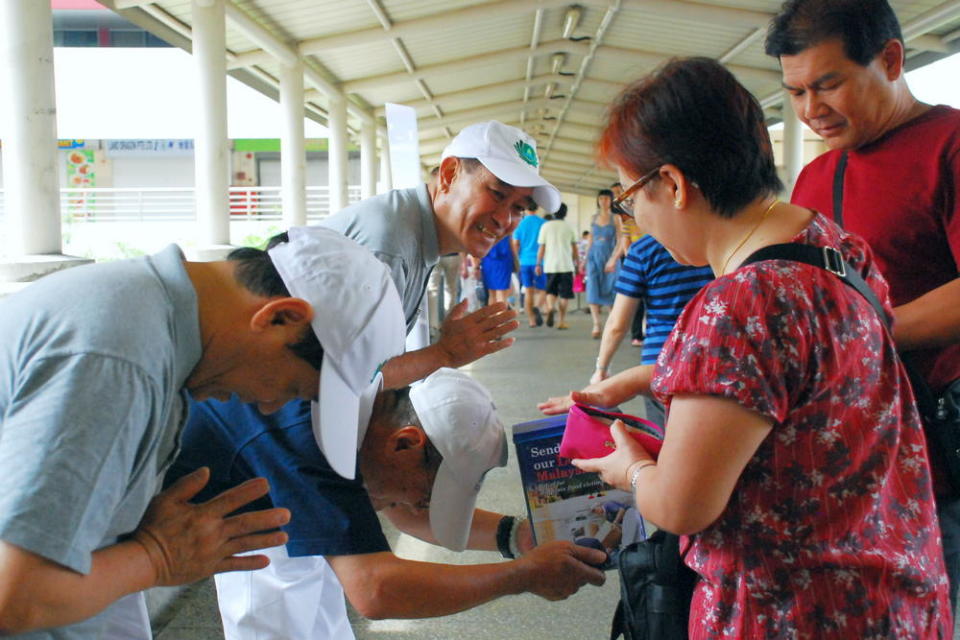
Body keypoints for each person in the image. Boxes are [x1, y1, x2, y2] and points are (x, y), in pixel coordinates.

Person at [541, 57, 951, 637]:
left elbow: (682, 507)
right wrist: (640, 379)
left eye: (632, 200)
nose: (635, 220)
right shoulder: (830, 244)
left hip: (791, 613)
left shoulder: (736, 305)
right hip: (893, 595)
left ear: (675, 185)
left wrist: (630, 468)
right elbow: (801, 364)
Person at [0, 226, 406, 638]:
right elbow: (15, 596)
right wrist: (155, 558)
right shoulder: (120, 359)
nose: (268, 405)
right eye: (292, 389)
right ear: (280, 317)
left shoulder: (158, 335)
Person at [766, 0, 960, 611]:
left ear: (892, 60)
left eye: (828, 84)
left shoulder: (949, 147)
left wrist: (861, 333)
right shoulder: (815, 178)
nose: (810, 109)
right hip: (856, 458)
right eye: (795, 91)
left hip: (943, 449)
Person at [169, 368, 607, 639]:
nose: (419, 504)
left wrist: (518, 538)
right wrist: (522, 576)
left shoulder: (365, 417)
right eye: (428, 492)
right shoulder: (307, 439)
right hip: (111, 530)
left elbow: (401, 506)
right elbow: (375, 589)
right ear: (405, 444)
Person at [317, 120, 561, 389]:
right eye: (497, 193)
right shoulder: (389, 247)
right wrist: (445, 353)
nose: (505, 219)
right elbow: (346, 380)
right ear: (449, 174)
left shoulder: (413, 229)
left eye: (519, 208)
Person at [590, 232, 713, 425]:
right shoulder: (714, 241)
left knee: (667, 444)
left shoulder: (643, 249)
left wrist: (602, 368)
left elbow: (618, 323)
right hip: (714, 360)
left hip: (661, 363)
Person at [585, 189, 622, 338]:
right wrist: (585, 258)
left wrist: (614, 258)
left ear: (611, 200)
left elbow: (620, 239)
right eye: (601, 198)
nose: (603, 201)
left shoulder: (616, 218)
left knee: (610, 288)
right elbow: (590, 238)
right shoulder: (593, 218)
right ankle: (596, 323)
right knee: (592, 287)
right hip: (594, 256)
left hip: (609, 256)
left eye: (606, 198)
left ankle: (611, 323)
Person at [536, 203, 578, 330]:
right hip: (566, 265)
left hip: (550, 265)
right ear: (565, 213)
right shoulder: (570, 227)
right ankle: (561, 321)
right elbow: (575, 249)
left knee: (551, 291)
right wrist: (577, 263)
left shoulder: (546, 226)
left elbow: (541, 248)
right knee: (565, 295)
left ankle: (549, 307)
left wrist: (538, 264)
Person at [512, 203, 548, 327]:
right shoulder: (544, 223)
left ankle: (532, 320)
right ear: (537, 208)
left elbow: (516, 244)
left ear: (525, 208)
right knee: (543, 289)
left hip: (524, 262)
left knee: (528, 291)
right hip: (541, 262)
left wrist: (515, 261)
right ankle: (537, 306)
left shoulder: (519, 224)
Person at [480, 236, 514, 307]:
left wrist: (476, 265)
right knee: (502, 293)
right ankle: (501, 316)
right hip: (503, 262)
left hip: (488, 262)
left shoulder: (485, 229)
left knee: (492, 293)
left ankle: (493, 316)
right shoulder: (506, 228)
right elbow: (511, 245)